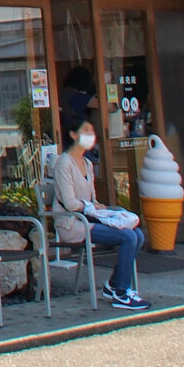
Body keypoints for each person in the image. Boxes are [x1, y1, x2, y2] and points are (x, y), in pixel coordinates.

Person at [50, 112, 149, 310]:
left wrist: (99, 208)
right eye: (86, 132)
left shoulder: (87, 163)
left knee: (137, 234)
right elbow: (70, 204)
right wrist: (93, 207)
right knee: (128, 237)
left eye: (91, 132)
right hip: (71, 224)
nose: (91, 136)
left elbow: (92, 200)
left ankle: (113, 285)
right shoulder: (64, 163)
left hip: (88, 219)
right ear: (73, 135)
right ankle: (121, 292)